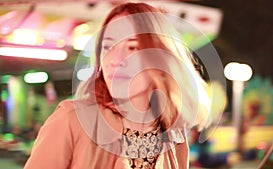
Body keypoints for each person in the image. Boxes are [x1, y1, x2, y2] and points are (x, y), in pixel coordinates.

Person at [24, 2, 212, 169]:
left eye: (132, 47)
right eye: (107, 47)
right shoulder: (71, 120)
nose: (115, 60)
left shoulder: (174, 135)